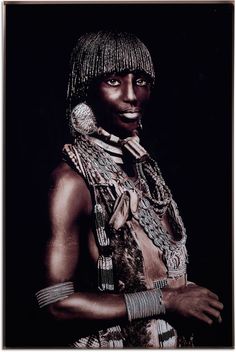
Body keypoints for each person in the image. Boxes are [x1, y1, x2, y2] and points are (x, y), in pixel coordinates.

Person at [35, 31, 223, 348]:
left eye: (141, 81)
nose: (132, 95)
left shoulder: (144, 170)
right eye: (113, 81)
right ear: (87, 90)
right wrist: (166, 300)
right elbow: (54, 303)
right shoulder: (71, 182)